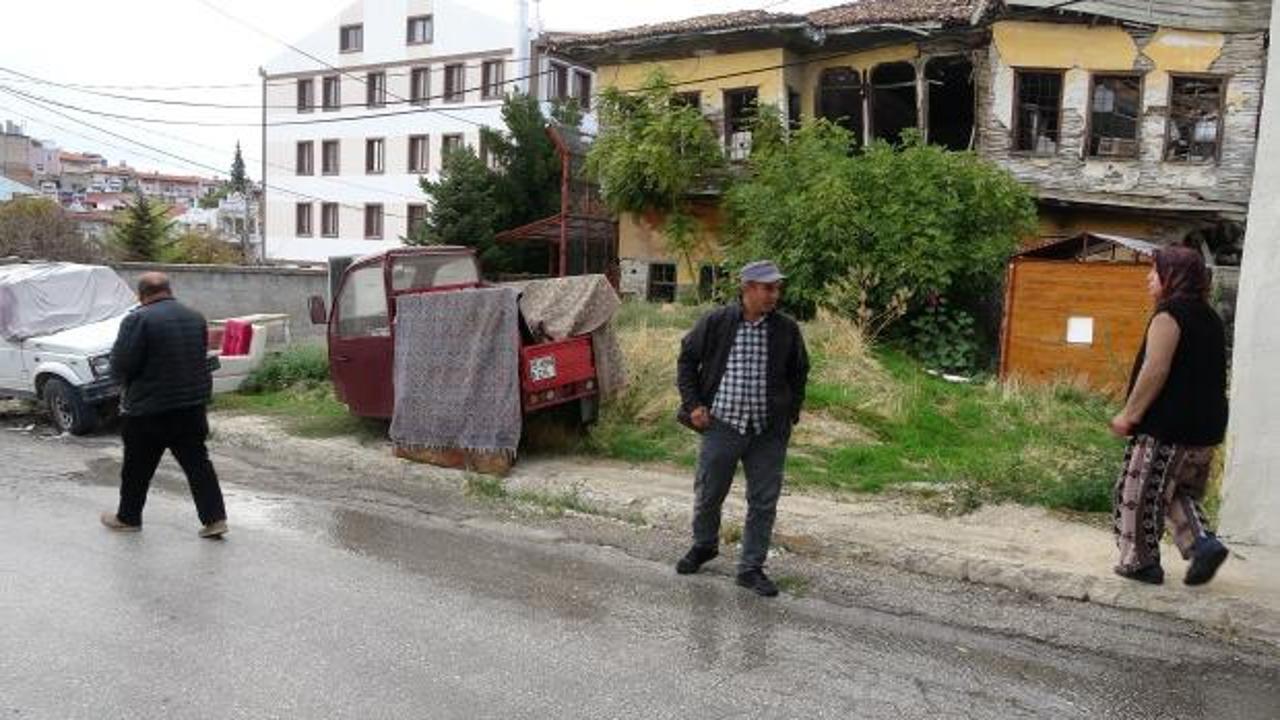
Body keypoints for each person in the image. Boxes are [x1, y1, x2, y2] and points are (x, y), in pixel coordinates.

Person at [675, 260, 809, 597]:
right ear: (747, 287)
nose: (774, 295)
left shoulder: (786, 329)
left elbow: (799, 370)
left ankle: (751, 568)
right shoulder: (717, 321)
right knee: (709, 493)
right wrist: (694, 405)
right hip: (722, 424)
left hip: (768, 430)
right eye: (768, 288)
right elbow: (687, 360)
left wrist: (790, 412)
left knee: (763, 501)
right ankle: (704, 545)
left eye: (777, 289)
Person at [1110, 246, 1229, 586]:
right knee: (1177, 493)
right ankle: (1203, 544)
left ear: (1173, 276)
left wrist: (1129, 414)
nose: (1149, 278)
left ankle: (1140, 563)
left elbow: (1156, 369)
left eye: (1155, 271)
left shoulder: (1169, 315)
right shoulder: (1210, 318)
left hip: (1167, 427)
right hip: (1205, 429)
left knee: (1138, 493)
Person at [100, 272, 228, 538]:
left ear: (141, 295)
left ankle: (128, 518)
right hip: (191, 406)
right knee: (198, 464)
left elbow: (123, 364)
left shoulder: (137, 320)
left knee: (136, 468)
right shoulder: (195, 317)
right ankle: (215, 519)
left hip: (149, 410)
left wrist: (120, 382)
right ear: (169, 290)